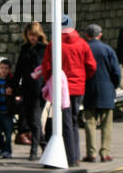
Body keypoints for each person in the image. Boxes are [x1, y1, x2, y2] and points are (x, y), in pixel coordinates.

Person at [40, 16, 96, 164]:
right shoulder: (83, 44)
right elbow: (91, 66)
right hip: (78, 87)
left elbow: (46, 67)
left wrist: (49, 81)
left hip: (61, 88)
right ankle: (75, 155)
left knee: (63, 122)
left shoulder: (54, 44)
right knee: (73, 120)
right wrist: (82, 78)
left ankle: (69, 157)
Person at [83, 24, 121, 163]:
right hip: (106, 89)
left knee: (90, 123)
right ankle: (105, 153)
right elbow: (116, 72)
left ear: (87, 35)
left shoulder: (85, 49)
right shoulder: (108, 49)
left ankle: (91, 153)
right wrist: (113, 86)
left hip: (89, 89)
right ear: (100, 35)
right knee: (106, 124)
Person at [13, 22, 47, 159]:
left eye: (34, 35)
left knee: (35, 119)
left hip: (40, 89)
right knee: (31, 119)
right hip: (26, 88)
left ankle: (34, 151)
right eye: (29, 35)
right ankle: (44, 144)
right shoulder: (24, 48)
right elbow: (19, 69)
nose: (32, 37)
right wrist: (14, 87)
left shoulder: (45, 48)